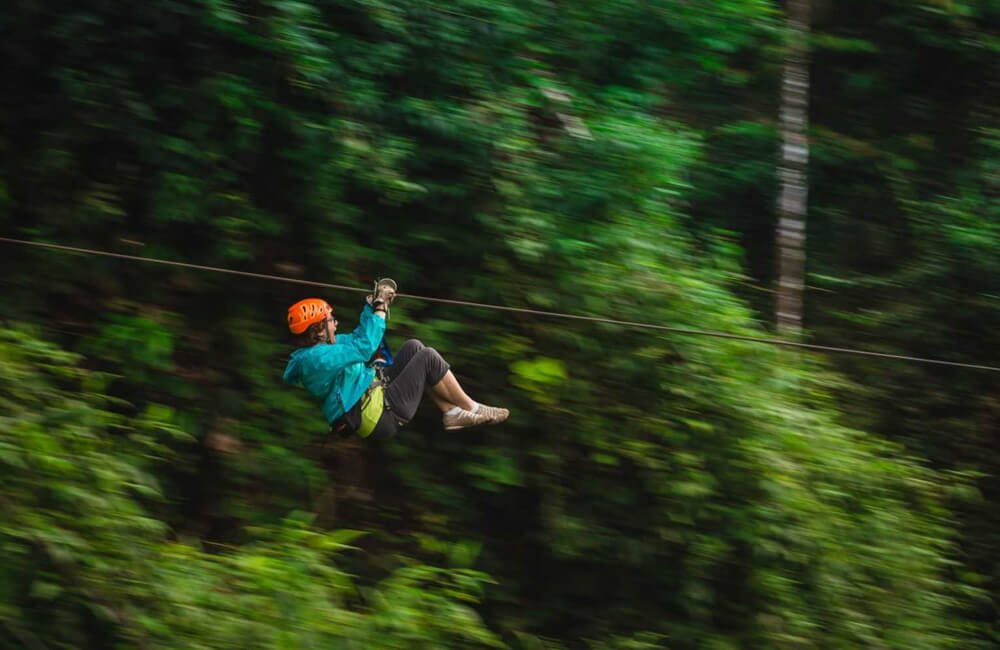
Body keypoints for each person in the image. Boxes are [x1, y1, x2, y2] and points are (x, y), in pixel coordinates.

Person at [282, 280, 509, 441]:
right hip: (378, 415)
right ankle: (473, 408)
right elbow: (364, 347)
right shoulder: (318, 359)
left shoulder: (323, 349)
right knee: (428, 357)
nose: (336, 323)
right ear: (319, 329)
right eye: (331, 320)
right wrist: (380, 309)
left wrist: (371, 308)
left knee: (414, 347)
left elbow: (357, 338)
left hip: (372, 396)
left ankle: (451, 413)